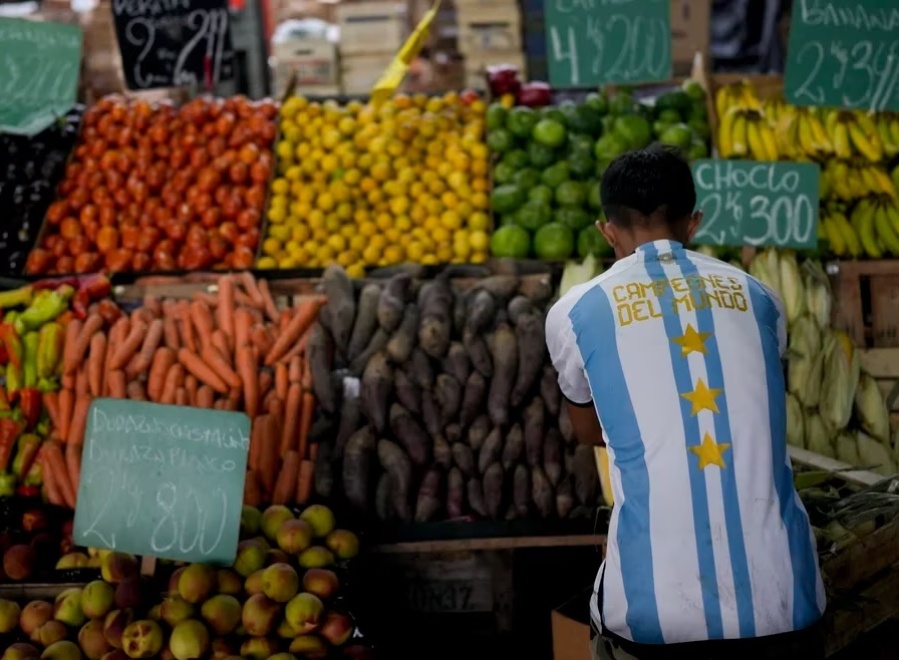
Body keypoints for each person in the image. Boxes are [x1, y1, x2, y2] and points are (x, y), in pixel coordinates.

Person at [545, 146, 826, 660]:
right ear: (694, 222)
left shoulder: (575, 311)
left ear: (607, 231)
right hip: (789, 602)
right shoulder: (761, 296)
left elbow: (587, 433)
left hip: (652, 621)